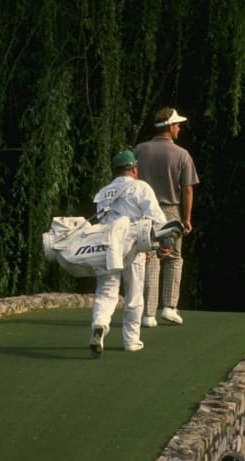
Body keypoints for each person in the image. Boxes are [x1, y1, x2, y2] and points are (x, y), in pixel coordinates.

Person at [88, 149, 176, 358]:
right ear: (134, 169)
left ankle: (99, 324)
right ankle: (131, 340)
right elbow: (156, 216)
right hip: (132, 246)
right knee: (134, 294)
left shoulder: (103, 193)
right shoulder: (141, 187)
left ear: (115, 171)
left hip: (106, 246)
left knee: (106, 291)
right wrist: (166, 240)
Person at [134, 106, 200, 327]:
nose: (179, 128)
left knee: (150, 257)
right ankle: (169, 308)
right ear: (170, 127)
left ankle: (148, 314)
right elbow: (187, 189)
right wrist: (187, 218)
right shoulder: (182, 154)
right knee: (173, 258)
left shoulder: (139, 150)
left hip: (143, 210)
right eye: (177, 125)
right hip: (170, 209)